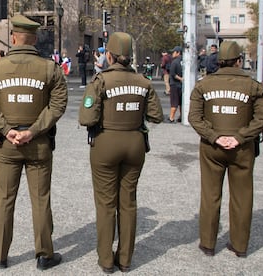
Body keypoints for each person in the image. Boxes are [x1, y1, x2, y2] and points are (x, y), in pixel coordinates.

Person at [0, 14, 68, 271]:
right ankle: (44, 255)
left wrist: (6, 130)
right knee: (41, 199)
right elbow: (58, 104)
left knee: (5, 198)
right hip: (38, 144)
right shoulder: (49, 68)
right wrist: (35, 130)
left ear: (13, 38)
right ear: (35, 38)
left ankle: (1, 254)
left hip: (7, 145)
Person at [78, 32, 163, 273]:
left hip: (106, 142)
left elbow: (87, 117)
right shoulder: (143, 81)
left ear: (109, 55)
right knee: (128, 202)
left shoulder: (100, 80)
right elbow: (157, 115)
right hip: (135, 142)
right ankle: (125, 259)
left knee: (105, 204)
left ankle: (106, 259)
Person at [188, 41, 263, 258]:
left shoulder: (204, 84)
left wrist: (215, 137)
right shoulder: (252, 86)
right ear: (239, 60)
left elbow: (194, 117)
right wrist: (239, 137)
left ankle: (207, 243)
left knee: (210, 195)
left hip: (211, 147)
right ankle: (240, 245)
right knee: (242, 197)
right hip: (242, 148)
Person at [166, 46, 183, 123]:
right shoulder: (185, 61)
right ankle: (182, 116)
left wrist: (180, 79)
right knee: (181, 102)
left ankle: (171, 118)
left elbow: (172, 74)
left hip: (174, 84)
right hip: (182, 86)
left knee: (174, 102)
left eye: (173, 52)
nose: (172, 53)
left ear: (178, 53)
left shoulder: (174, 62)